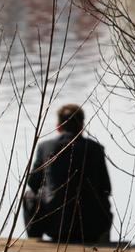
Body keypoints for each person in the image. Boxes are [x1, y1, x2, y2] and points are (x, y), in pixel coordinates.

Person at [21, 103, 113, 244]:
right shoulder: (96, 149)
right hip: (91, 227)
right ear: (82, 126)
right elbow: (106, 187)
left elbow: (32, 183)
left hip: (55, 226)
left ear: (58, 126)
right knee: (102, 196)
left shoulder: (45, 147)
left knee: (29, 195)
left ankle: (35, 240)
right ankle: (101, 240)